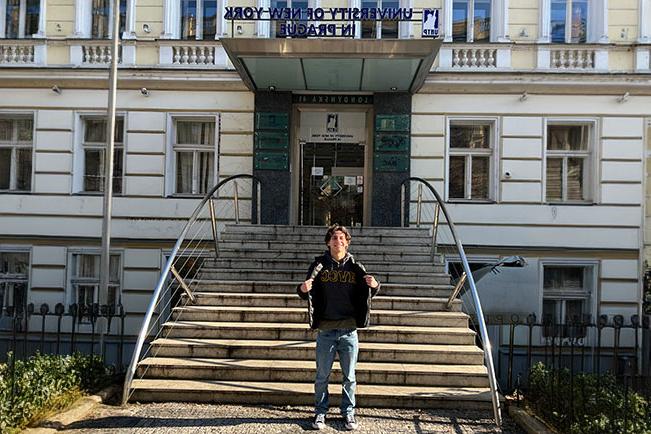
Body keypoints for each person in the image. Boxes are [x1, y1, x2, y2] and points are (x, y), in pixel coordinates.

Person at [297, 225, 380, 431]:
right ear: (328, 242)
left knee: (349, 376)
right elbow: (304, 291)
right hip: (326, 330)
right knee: (322, 375)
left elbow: (368, 293)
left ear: (347, 242)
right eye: (334, 238)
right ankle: (320, 413)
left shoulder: (355, 266)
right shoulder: (319, 265)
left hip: (349, 330)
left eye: (342, 238)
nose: (338, 241)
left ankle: (348, 413)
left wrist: (375, 286)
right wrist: (302, 288)